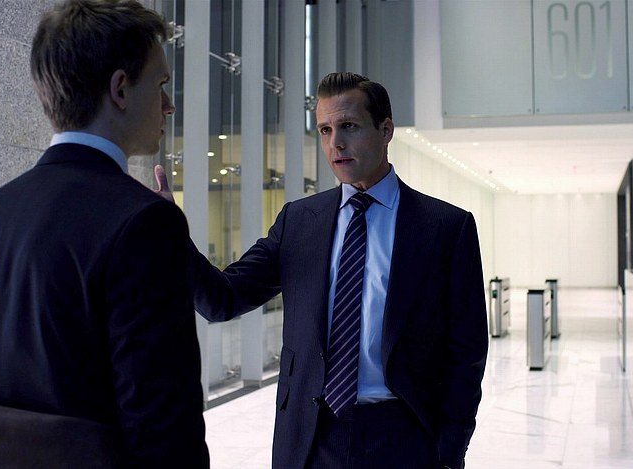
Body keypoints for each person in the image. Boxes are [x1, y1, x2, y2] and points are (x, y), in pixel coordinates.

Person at [187, 72, 489, 469]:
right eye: (325, 130)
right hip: (311, 441)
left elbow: (467, 351)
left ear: (386, 130)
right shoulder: (299, 222)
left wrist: (449, 451)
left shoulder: (445, 227)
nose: (335, 144)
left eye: (349, 126)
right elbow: (222, 299)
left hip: (405, 438)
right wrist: (170, 236)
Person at [0, 1, 209, 467]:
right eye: (161, 85)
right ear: (120, 89)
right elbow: (165, 433)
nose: (168, 105)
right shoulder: (145, 224)